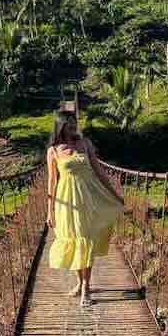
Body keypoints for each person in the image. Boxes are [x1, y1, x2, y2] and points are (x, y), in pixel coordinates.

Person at [46, 112, 124, 307]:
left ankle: (86, 289)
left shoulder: (85, 144)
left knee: (85, 241)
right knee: (71, 241)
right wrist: (50, 211)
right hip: (65, 203)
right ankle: (79, 282)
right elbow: (52, 183)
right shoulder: (53, 151)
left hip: (87, 199)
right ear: (61, 127)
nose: (73, 127)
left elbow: (99, 172)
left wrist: (114, 194)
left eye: (74, 123)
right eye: (69, 124)